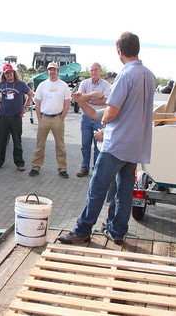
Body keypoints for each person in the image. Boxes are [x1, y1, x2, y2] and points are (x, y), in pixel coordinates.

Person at [58, 32, 155, 245]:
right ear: (136, 49)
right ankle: (117, 231)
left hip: (116, 145)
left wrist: (105, 126)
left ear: (119, 51)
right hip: (136, 145)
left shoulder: (125, 75)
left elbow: (111, 112)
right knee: (124, 191)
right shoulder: (149, 75)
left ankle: (83, 230)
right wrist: (83, 101)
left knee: (97, 187)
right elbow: (124, 110)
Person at [29, 62, 71, 178]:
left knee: (60, 145)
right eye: (50, 70)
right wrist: (40, 118)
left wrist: (62, 117)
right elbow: (37, 103)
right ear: (47, 71)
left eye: (54, 70)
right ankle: (36, 167)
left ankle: (62, 168)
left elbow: (67, 103)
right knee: (40, 145)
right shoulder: (42, 85)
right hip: (44, 118)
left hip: (58, 118)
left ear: (58, 71)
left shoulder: (64, 85)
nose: (52, 72)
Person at [0, 64, 33, 171]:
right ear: (4, 74)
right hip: (4, 116)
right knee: (1, 140)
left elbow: (30, 94)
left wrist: (24, 108)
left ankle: (19, 163)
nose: (9, 74)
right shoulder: (1, 84)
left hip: (16, 117)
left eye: (10, 72)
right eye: (6, 73)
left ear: (14, 73)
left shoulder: (21, 84)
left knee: (17, 141)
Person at [76, 62, 111, 177]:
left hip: (99, 118)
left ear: (100, 71)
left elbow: (105, 101)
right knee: (85, 144)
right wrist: (95, 94)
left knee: (98, 144)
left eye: (96, 70)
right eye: (91, 70)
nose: (93, 72)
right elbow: (80, 97)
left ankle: (96, 168)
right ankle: (84, 167)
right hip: (86, 117)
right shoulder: (84, 83)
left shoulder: (106, 85)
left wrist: (88, 99)